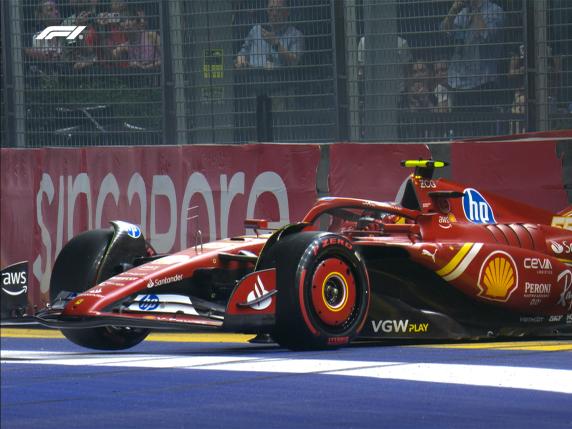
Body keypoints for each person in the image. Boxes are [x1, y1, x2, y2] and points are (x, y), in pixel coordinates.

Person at [441, 0, 504, 110]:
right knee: (460, 126)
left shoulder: (495, 10)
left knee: (482, 125)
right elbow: (445, 32)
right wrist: (453, 10)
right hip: (459, 84)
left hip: (482, 83)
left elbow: (486, 36)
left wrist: (475, 8)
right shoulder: (463, 12)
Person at [235, 0, 303, 69]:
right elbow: (243, 52)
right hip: (254, 77)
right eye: (271, 9)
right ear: (267, 10)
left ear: (287, 12)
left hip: (281, 77)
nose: (274, 14)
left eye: (278, 10)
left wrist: (276, 45)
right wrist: (241, 60)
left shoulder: (295, 35)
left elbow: (295, 61)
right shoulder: (256, 30)